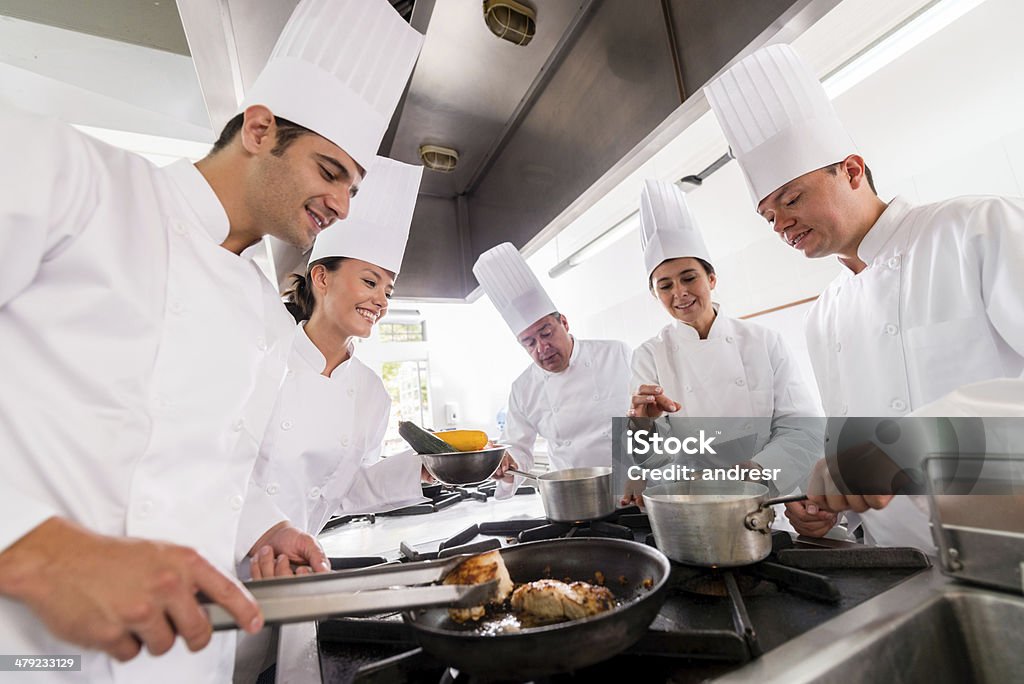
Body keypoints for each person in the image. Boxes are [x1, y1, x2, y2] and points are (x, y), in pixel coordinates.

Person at [0, 0, 423, 680]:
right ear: (259, 130)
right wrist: (29, 545)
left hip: (186, 660)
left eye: (353, 186)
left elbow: (209, 464)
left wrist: (264, 527)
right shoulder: (79, 181)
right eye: (330, 171)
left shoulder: (258, 306)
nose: (343, 206)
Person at [705, 43, 1024, 546]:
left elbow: (892, 447)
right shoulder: (825, 316)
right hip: (898, 576)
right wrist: (832, 507)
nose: (781, 223)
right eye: (768, 216)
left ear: (852, 171)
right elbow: (856, 458)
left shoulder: (978, 229)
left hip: (1007, 559)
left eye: (791, 199)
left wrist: (909, 444)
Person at [235, 157, 426, 682]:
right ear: (321, 277)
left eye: (389, 288)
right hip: (225, 565)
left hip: (298, 576)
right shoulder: (261, 354)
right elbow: (212, 465)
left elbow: (344, 494)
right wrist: (262, 531)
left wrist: (423, 468)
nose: (381, 300)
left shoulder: (370, 392)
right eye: (369, 281)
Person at [628, 179, 820, 502]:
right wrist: (640, 427)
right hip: (692, 506)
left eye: (689, 278)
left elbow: (803, 429)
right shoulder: (649, 355)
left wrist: (754, 472)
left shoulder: (763, 341)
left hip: (765, 501)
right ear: (654, 294)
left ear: (711, 278)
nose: (680, 293)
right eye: (665, 286)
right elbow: (648, 460)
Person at [472, 243, 632, 496]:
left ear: (564, 323)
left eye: (546, 333)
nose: (542, 347)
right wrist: (506, 461)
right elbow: (517, 448)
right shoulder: (524, 388)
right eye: (529, 342)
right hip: (573, 498)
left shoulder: (616, 354)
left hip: (628, 491)